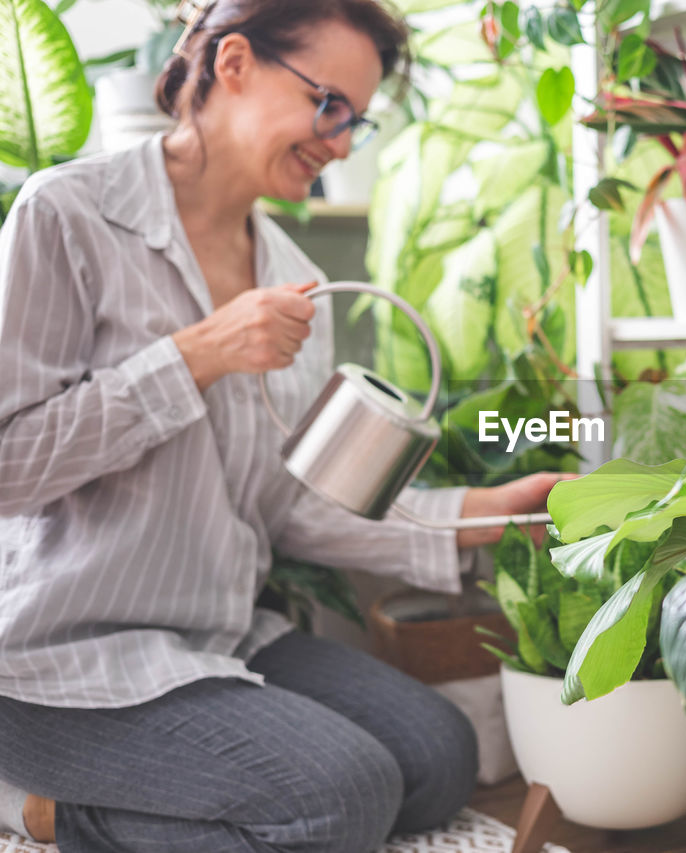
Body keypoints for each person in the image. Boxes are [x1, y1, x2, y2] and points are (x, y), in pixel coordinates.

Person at [0, 1, 568, 849]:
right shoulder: (68, 216)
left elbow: (294, 507)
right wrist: (196, 353)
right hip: (56, 655)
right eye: (328, 104)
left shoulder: (297, 284)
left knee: (439, 754)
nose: (340, 142)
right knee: (343, 795)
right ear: (233, 64)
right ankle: (36, 807)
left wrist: (481, 513)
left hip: (216, 633)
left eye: (358, 122)